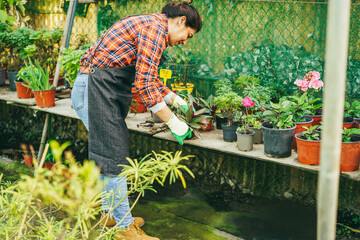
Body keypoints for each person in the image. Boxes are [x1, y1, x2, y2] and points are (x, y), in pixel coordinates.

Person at [71, 1, 202, 239]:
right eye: (188, 35)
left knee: (108, 153)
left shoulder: (153, 26)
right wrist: (173, 122)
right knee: (114, 154)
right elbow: (144, 85)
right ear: (181, 21)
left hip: (99, 90)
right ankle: (124, 226)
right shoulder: (155, 29)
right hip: (93, 90)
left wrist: (174, 99)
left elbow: (146, 75)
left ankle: (109, 214)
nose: (184, 41)